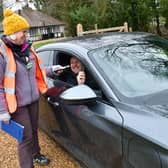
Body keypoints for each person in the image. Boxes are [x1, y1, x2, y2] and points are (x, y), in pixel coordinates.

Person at [0, 9, 51, 168]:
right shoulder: (2, 54)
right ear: (13, 33)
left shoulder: (27, 49)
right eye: (23, 32)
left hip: (33, 100)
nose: (26, 35)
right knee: (25, 138)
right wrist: (2, 111)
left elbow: (37, 71)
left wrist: (53, 69)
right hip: (18, 105)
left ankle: (36, 154)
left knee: (34, 130)